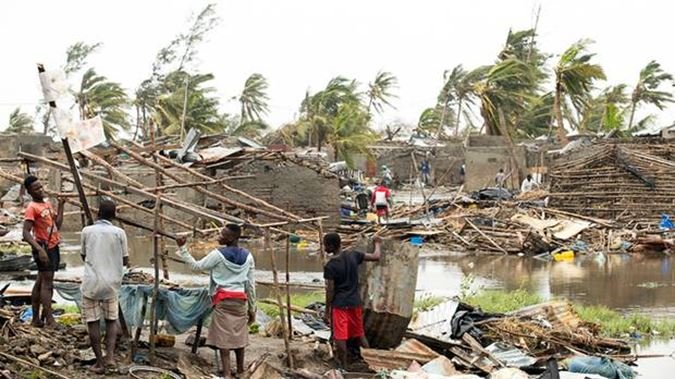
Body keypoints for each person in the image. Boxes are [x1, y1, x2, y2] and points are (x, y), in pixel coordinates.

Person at [176, 224, 256, 379]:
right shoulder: (248, 256)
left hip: (223, 300)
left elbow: (196, 267)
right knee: (239, 336)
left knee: (223, 339)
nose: (219, 236)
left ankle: (226, 374)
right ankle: (240, 371)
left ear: (232, 238)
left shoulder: (217, 254)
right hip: (240, 301)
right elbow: (250, 285)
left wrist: (183, 248)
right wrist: (252, 309)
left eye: (223, 234)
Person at [80, 199, 128, 374]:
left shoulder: (87, 231)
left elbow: (83, 255)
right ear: (114, 215)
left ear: (97, 213)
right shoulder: (119, 232)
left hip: (91, 283)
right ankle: (110, 357)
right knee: (111, 320)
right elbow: (125, 260)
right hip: (112, 284)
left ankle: (99, 363)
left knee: (92, 322)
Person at [323, 233, 382, 368]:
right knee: (359, 333)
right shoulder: (353, 255)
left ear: (332, 246)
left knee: (340, 336)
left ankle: (343, 365)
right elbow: (376, 256)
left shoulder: (330, 266)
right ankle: (372, 362)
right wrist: (378, 243)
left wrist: (327, 311)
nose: (324, 247)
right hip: (355, 302)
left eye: (325, 245)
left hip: (340, 304)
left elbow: (330, 290)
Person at [22, 175, 65, 328]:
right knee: (47, 284)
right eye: (36, 189)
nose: (40, 190)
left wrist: (61, 206)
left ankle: (36, 319)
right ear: (29, 192)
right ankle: (50, 320)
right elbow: (25, 233)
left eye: (41, 187)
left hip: (53, 245)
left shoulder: (46, 204)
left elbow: (57, 225)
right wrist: (39, 250)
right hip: (43, 247)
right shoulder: (32, 208)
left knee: (40, 282)